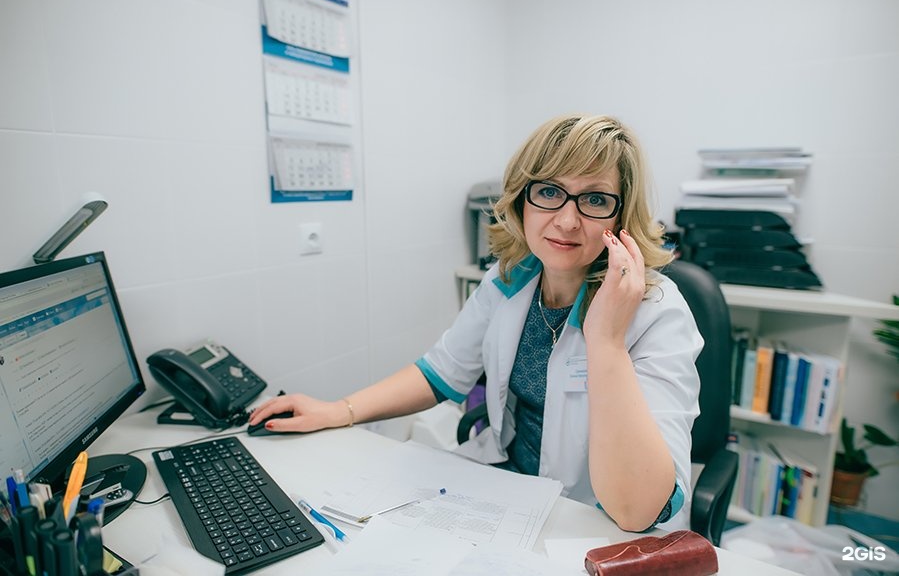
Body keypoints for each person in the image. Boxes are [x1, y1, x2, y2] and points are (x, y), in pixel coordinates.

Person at [249, 114, 702, 532]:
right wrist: (338, 410)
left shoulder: (657, 312)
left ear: (621, 217)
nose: (567, 220)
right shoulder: (511, 279)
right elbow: (440, 373)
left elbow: (638, 510)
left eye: (595, 200)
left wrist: (606, 341)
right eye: (548, 192)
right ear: (522, 199)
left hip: (592, 523)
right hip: (504, 497)